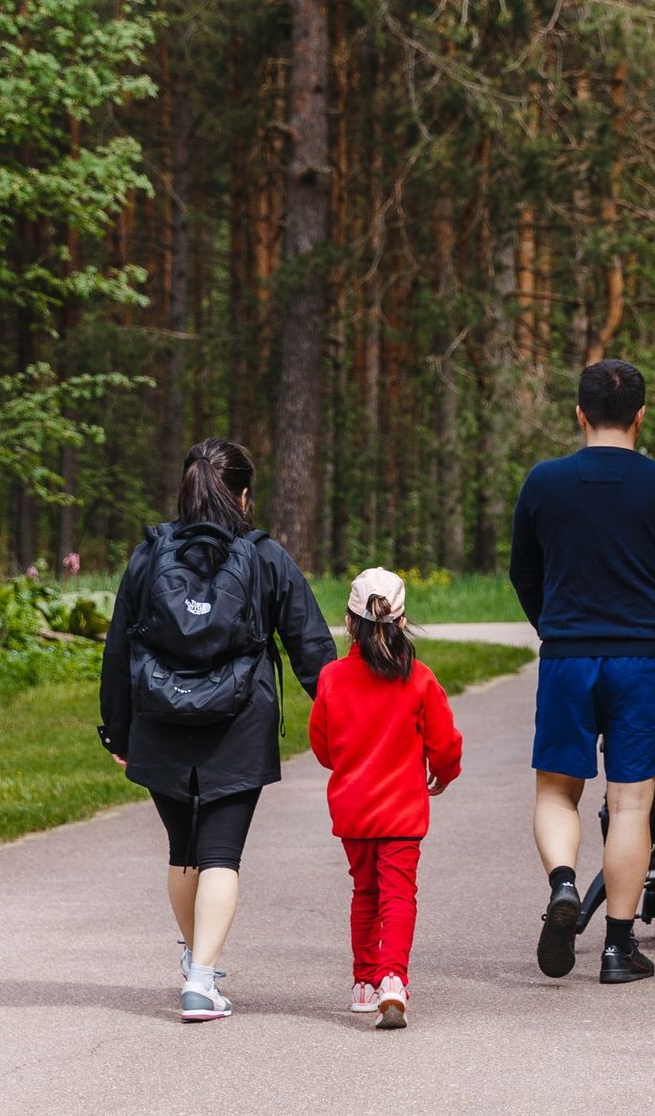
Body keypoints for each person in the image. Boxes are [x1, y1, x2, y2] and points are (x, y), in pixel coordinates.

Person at [100, 437, 337, 1022]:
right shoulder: (265, 557)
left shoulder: (148, 555)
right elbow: (311, 646)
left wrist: (119, 732)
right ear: (244, 495)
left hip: (159, 719)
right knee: (221, 856)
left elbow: (118, 651)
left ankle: (196, 966)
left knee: (184, 852)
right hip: (239, 723)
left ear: (185, 488)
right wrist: (344, 719)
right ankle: (201, 981)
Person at [509, 358, 655, 984]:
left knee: (556, 791)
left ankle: (564, 885)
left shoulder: (544, 482)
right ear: (640, 416)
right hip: (641, 662)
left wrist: (552, 627)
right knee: (631, 806)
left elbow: (523, 572)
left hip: (567, 659)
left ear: (580, 413)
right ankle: (619, 951)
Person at [309, 567, 463, 1031]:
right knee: (398, 894)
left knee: (365, 892)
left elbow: (322, 746)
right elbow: (445, 743)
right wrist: (444, 773)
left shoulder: (332, 678)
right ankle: (392, 978)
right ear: (402, 621)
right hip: (402, 810)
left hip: (353, 809)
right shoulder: (418, 678)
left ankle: (362, 982)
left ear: (349, 622)